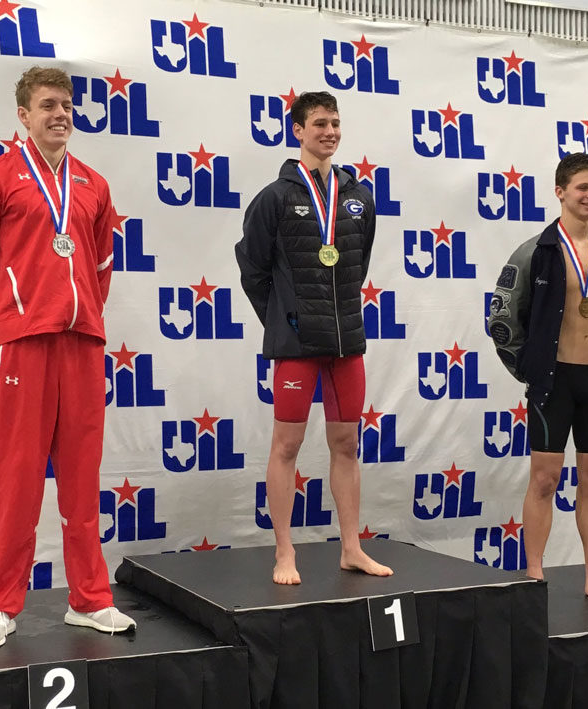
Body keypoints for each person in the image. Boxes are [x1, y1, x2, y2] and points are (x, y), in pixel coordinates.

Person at [0, 66, 135, 647]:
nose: (61, 114)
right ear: (24, 115)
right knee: (18, 477)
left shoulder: (94, 185)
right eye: (49, 105)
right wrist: (1, 332)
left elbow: (100, 269)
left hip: (82, 343)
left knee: (82, 480)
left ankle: (89, 598)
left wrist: (78, 314)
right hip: (23, 347)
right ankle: (0, 603)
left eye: (67, 105)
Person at [235, 91, 393, 585]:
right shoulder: (274, 198)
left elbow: (356, 266)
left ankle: (351, 547)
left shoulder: (359, 197)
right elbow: (252, 270)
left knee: (346, 444)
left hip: (347, 341)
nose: (329, 131)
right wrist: (285, 319)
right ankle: (285, 552)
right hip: (297, 345)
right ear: (297, 131)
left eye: (336, 123)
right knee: (288, 444)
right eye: (319, 123)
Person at [488, 152, 588, 603]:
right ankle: (533, 577)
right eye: (583, 187)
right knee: (544, 478)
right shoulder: (534, 252)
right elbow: (501, 318)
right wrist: (529, 369)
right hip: (553, 384)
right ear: (560, 192)